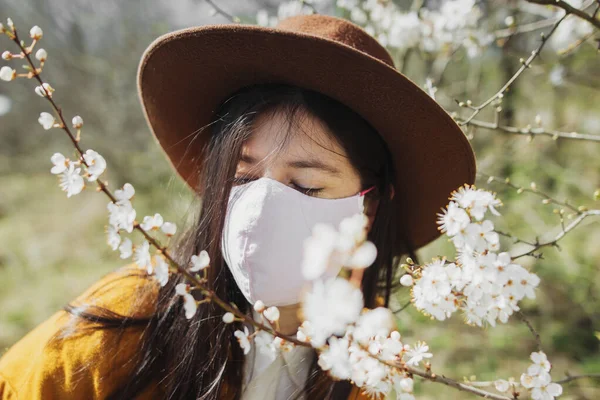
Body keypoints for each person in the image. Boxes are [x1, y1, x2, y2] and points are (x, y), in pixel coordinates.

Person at [0, 13, 475, 400]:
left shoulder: (370, 357)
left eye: (307, 186)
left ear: (369, 207)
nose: (261, 208)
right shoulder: (117, 329)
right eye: (242, 177)